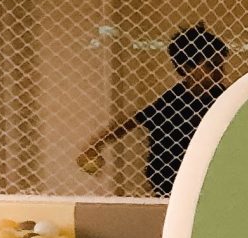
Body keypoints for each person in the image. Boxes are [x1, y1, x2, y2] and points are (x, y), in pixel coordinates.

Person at [77, 24, 230, 196]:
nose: (220, 72)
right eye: (211, 65)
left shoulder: (225, 98)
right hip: (168, 184)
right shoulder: (172, 101)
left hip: (210, 182)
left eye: (221, 65)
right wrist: (96, 143)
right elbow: (132, 120)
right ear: (187, 68)